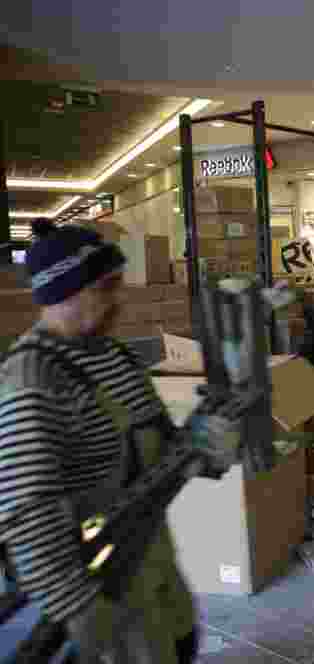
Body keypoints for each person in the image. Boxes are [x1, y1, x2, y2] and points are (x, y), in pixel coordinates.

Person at [0, 219, 199, 662]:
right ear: (64, 292)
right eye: (105, 287)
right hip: (101, 582)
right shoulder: (34, 378)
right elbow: (23, 510)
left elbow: (159, 451)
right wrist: (77, 606)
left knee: (183, 644)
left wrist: (204, 449)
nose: (117, 301)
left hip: (154, 555)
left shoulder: (113, 355)